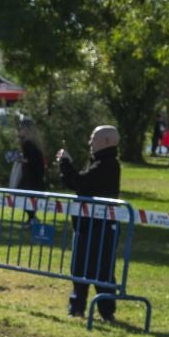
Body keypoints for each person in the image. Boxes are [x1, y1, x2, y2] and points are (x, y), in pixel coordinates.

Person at [56, 125, 123, 320]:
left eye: (93, 138)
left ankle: (105, 311)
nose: (90, 143)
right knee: (80, 268)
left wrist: (65, 164)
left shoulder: (108, 165)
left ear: (107, 142)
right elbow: (80, 183)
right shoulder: (99, 163)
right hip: (88, 226)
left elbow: (80, 184)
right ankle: (77, 307)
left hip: (100, 228)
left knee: (101, 270)